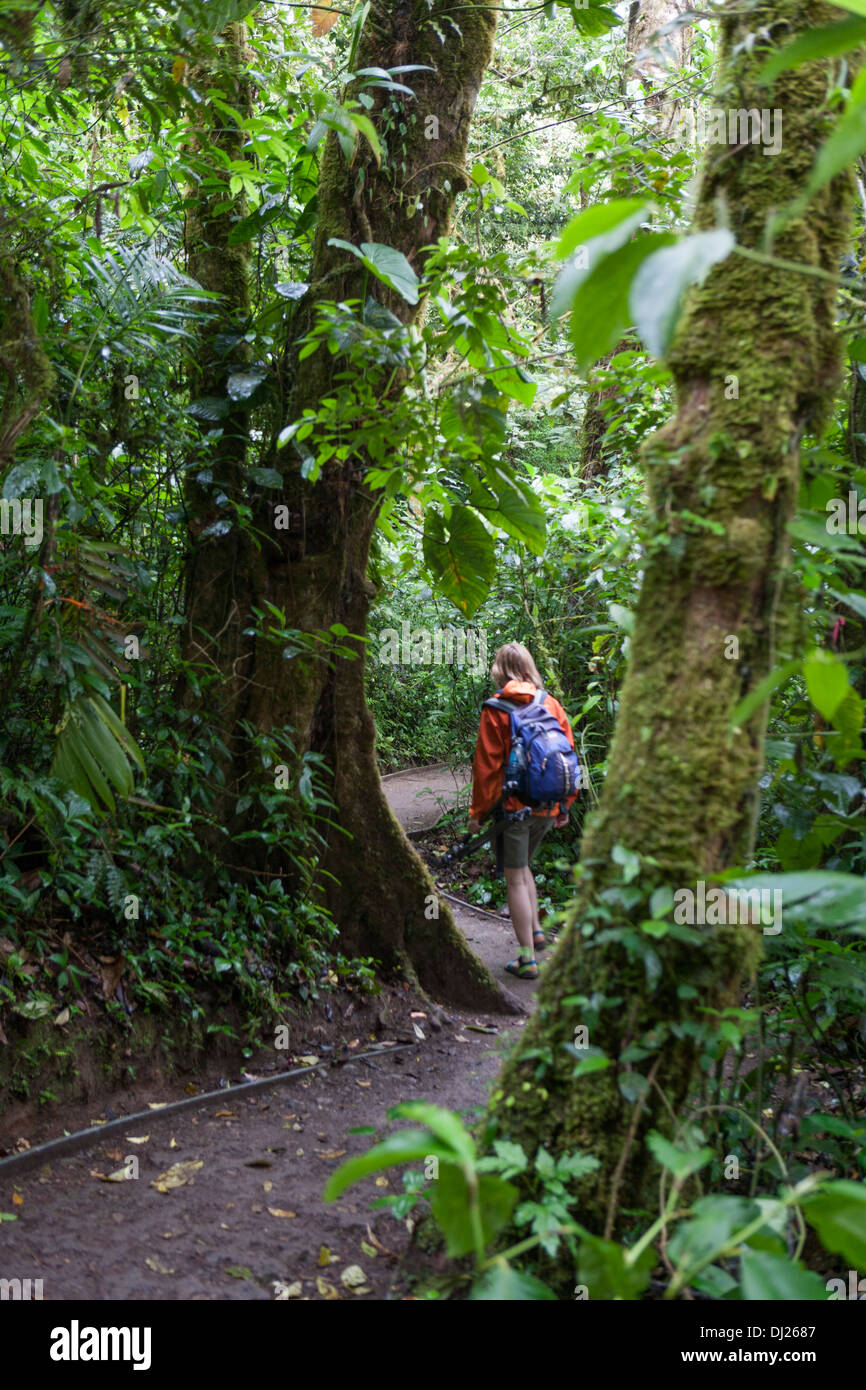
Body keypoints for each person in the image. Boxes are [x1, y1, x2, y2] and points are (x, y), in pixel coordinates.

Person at [468, 642, 578, 980]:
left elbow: (487, 768)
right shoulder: (551, 704)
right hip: (547, 806)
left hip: (513, 808)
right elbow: (570, 755)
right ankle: (537, 933)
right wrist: (564, 804)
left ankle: (527, 958)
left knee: (514, 877)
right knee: (524, 867)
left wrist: (477, 813)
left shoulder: (496, 708)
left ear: (500, 670)